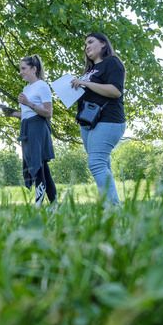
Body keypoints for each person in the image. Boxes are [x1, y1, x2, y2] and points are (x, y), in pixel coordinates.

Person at [70, 32, 126, 206]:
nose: (87, 46)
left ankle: (114, 209)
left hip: (108, 120)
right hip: (88, 123)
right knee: (102, 165)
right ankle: (107, 206)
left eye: (90, 42)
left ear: (103, 44)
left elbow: (115, 91)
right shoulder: (89, 70)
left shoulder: (112, 63)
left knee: (96, 163)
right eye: (85, 44)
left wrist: (85, 83)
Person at [8, 55, 57, 206]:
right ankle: (54, 203)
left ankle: (38, 204)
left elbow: (48, 112)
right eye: (20, 69)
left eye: (23, 68)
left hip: (38, 128)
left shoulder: (42, 85)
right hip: (27, 128)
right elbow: (27, 113)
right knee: (42, 166)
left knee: (37, 164)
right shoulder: (26, 88)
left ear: (34, 69)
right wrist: (10, 112)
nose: (20, 72)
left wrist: (28, 102)